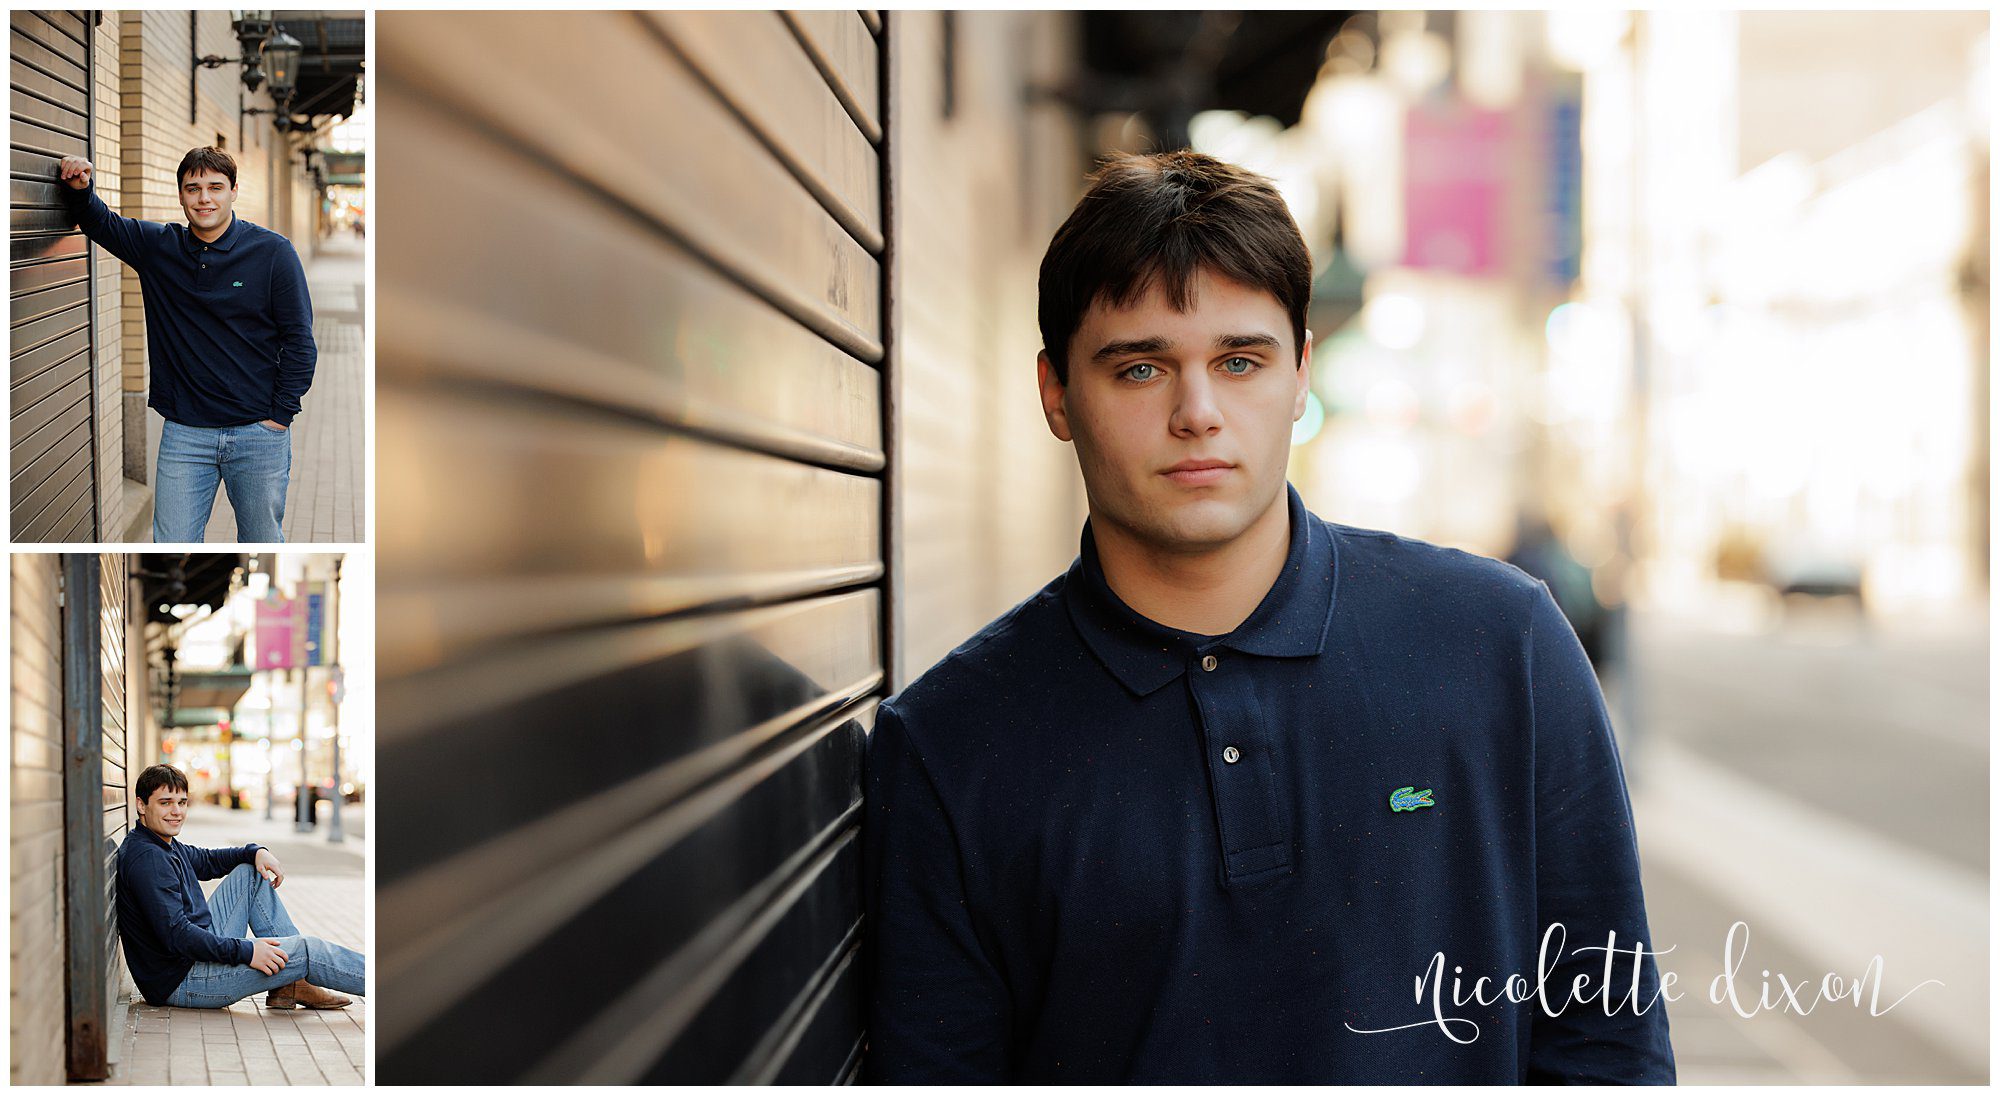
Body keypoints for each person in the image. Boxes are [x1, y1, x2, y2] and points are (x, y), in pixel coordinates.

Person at [863, 151, 1674, 1083]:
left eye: (1240, 361)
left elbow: (1608, 1046)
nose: (1197, 412)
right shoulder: (949, 746)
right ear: (1056, 394)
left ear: (1300, 376)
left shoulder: (1504, 647)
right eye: (1139, 369)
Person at [57, 147, 316, 543]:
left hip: (257, 434)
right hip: (185, 434)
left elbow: (299, 341)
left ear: (233, 192)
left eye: (215, 187)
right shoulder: (160, 248)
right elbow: (100, 223)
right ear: (180, 195)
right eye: (193, 189)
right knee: (170, 543)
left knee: (263, 540)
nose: (204, 198)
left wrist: (280, 415)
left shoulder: (273, 253)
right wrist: (80, 187)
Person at [117, 764, 364, 1011]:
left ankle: (292, 981)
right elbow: (177, 935)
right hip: (184, 980)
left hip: (189, 961)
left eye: (182, 803)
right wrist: (248, 951)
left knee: (249, 873)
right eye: (165, 803)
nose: (176, 811)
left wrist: (255, 851)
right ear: (142, 805)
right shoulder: (149, 859)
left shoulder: (160, 843)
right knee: (306, 950)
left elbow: (208, 861)